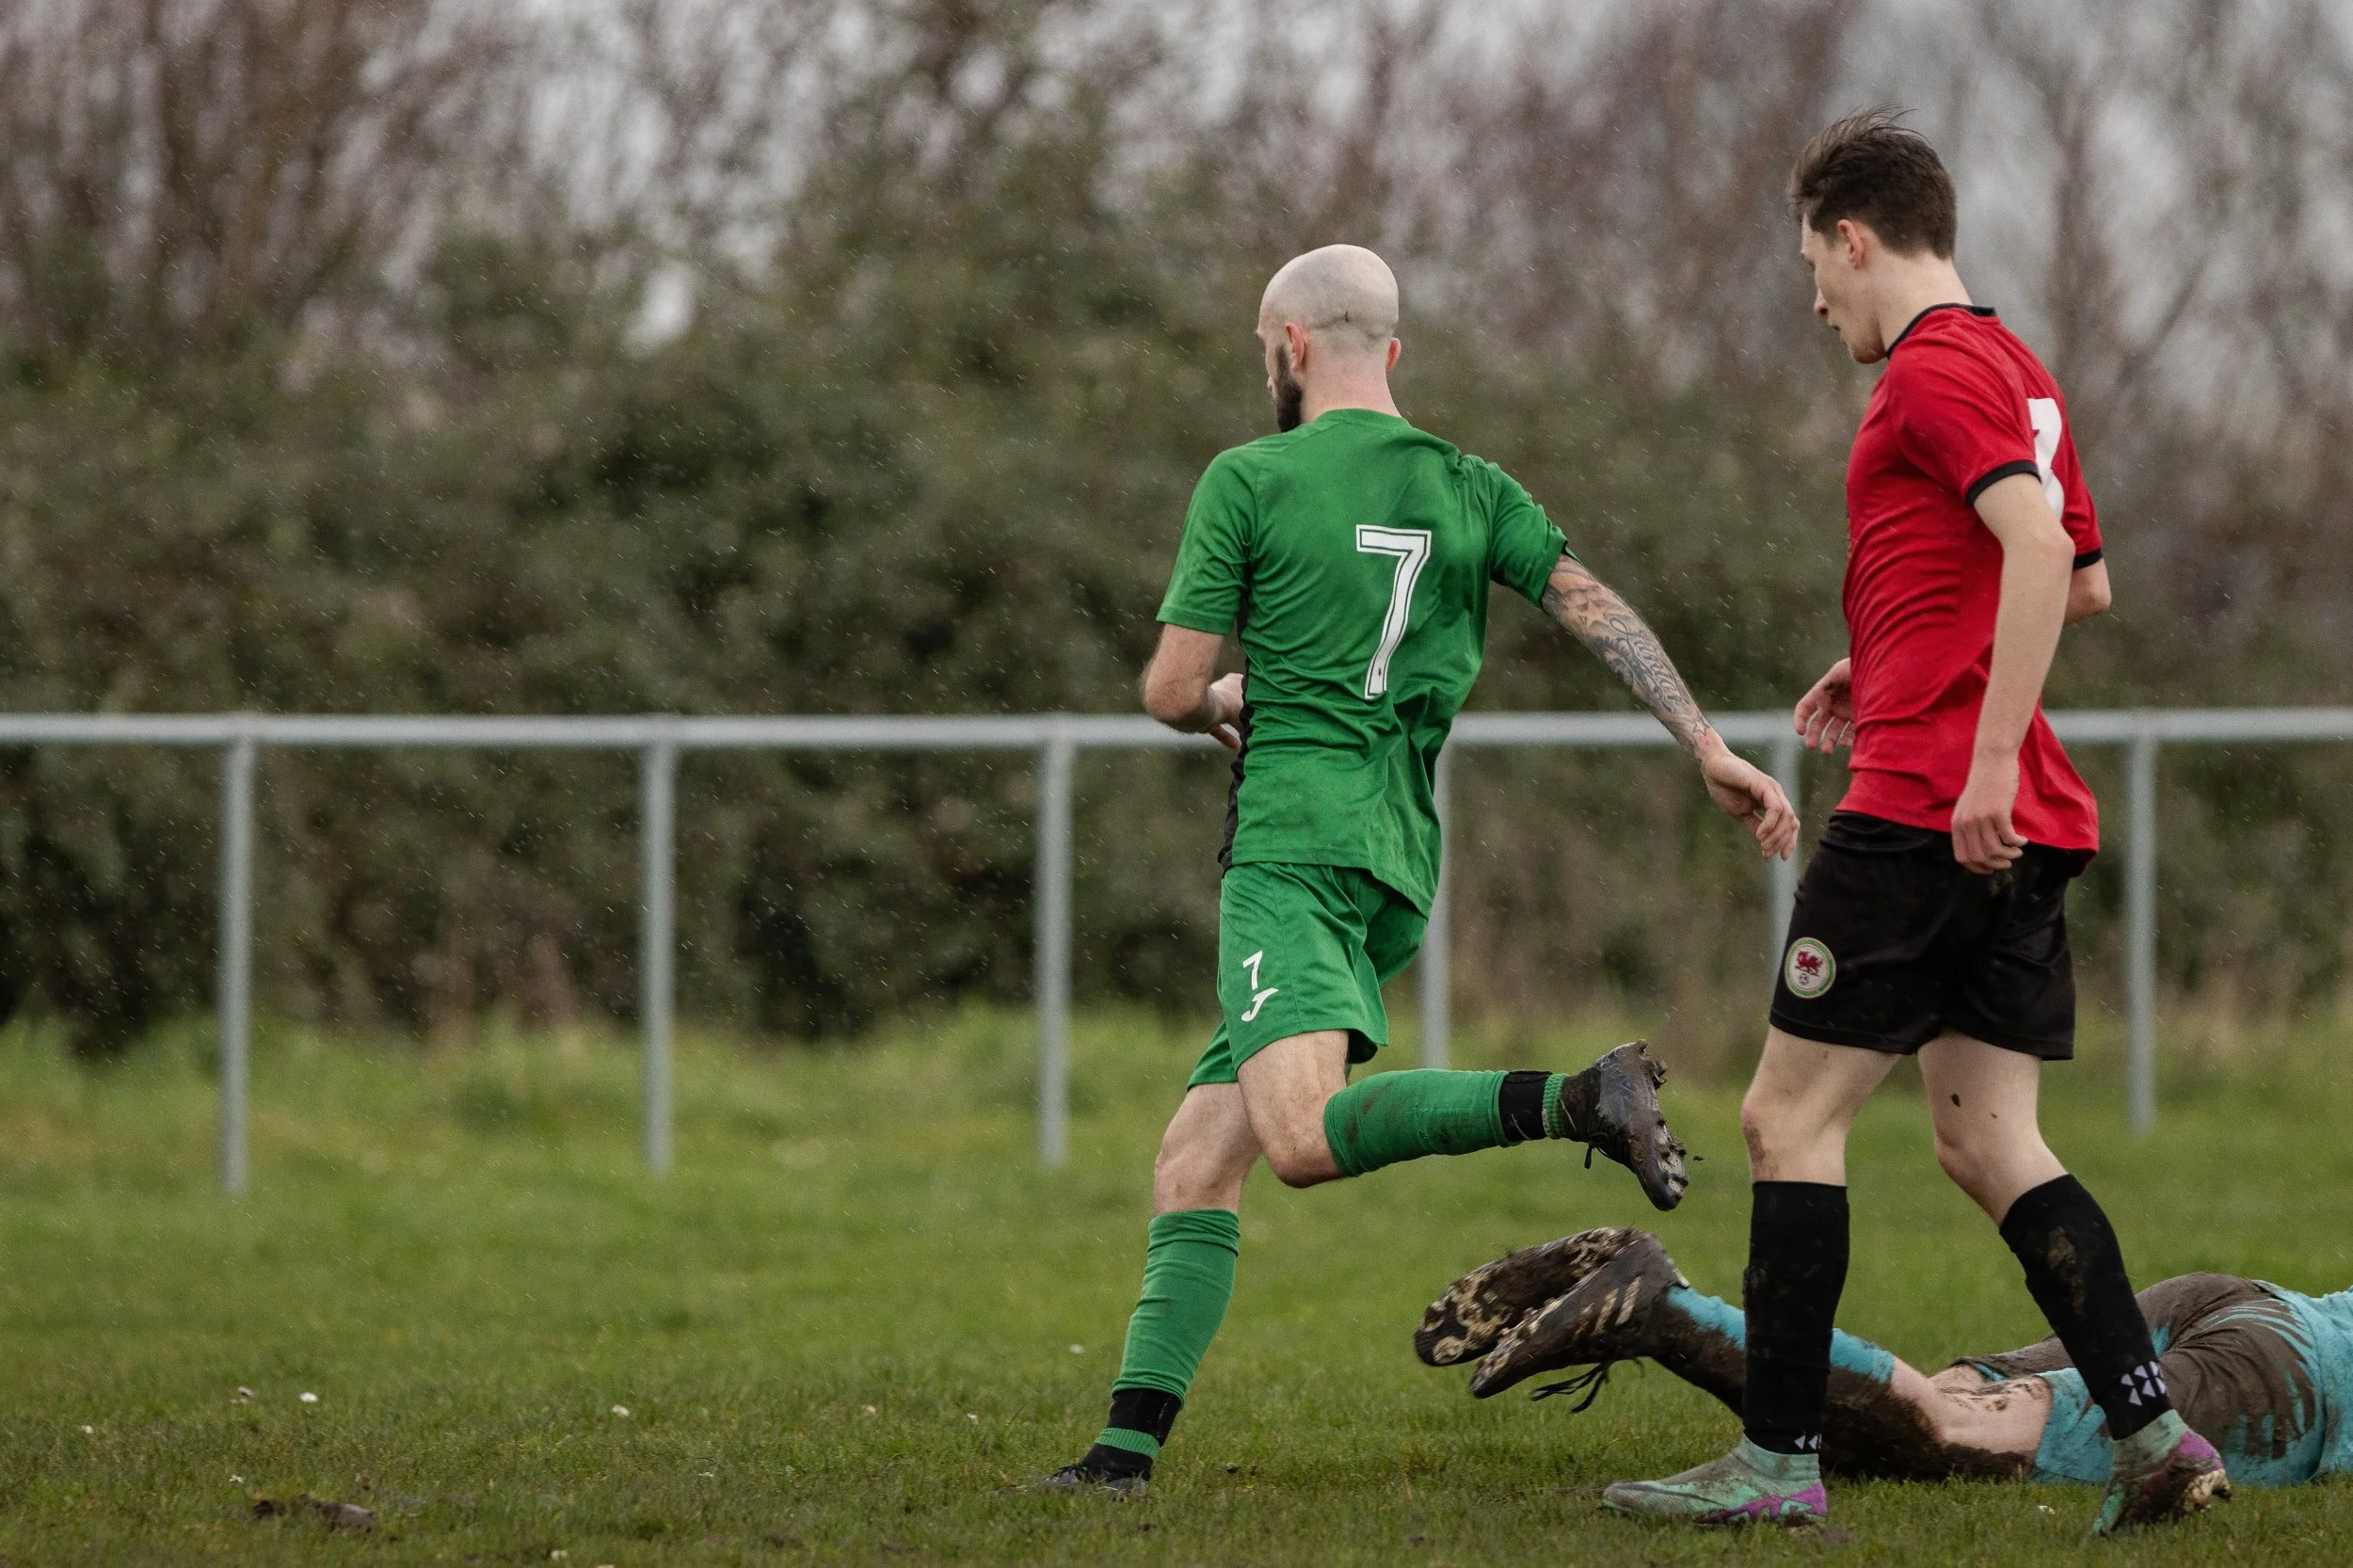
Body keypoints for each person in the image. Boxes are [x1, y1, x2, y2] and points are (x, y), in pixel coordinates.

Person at [1042, 244, 1799, 1494]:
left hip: (1289, 850)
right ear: (1389, 353)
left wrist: (1223, 695)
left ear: (1287, 348)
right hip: (1395, 862)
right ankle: (1121, 1457)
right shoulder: (1470, 484)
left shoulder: (1251, 477)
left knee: (1295, 1140)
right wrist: (1708, 742)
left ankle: (1571, 1098)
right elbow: (1593, 606)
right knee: (1196, 1157)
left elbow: (1170, 687)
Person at [1598, 110, 2224, 1536]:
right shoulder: (2013, 362)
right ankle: (2153, 1431)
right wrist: (1887, 657)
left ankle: (1776, 1458)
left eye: (1813, 265)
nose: (1813, 300)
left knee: (1781, 1116)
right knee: (1991, 1139)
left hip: (1934, 806)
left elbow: (2036, 547)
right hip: (2004, 806)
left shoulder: (1932, 372)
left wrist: (1980, 749)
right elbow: (2080, 579)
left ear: (1854, 235)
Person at [1422, 1226, 2353, 1494]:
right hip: (2279, 1377)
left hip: (2255, 1304)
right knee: (1956, 1436)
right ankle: (1660, 1307)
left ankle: (1661, 1304)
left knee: (1936, 1404)